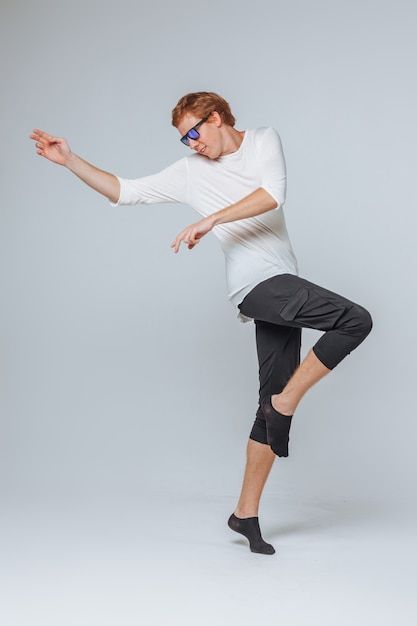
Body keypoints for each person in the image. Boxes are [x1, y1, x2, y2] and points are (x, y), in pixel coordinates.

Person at [30, 92, 372, 555]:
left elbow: (273, 194)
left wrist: (212, 218)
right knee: (355, 320)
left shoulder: (263, 140)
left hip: (281, 279)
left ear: (217, 118)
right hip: (255, 286)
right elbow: (126, 191)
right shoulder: (190, 172)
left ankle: (244, 514)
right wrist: (71, 160)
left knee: (266, 409)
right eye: (182, 138)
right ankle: (286, 401)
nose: (191, 144)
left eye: (194, 132)